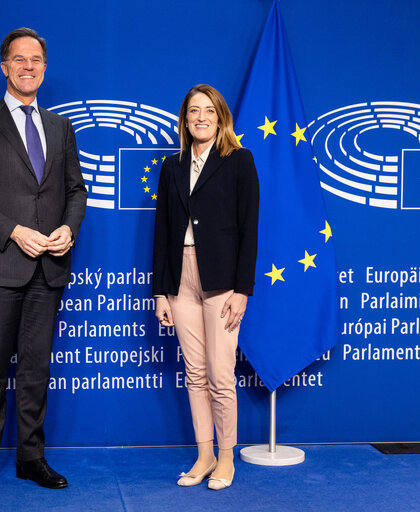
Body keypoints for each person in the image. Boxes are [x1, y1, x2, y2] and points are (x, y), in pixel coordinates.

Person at [0, 27, 87, 498]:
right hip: (0, 265)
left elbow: (76, 190)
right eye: (19, 60)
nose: (28, 67)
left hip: (48, 268)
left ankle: (31, 458)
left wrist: (68, 228)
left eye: (36, 60)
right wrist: (14, 231)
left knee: (35, 369)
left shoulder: (60, 126)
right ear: (5, 67)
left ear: (44, 69)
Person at [152, 84, 259, 490]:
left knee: (220, 373)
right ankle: (204, 454)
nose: (200, 117)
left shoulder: (239, 161)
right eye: (193, 111)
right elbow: (162, 232)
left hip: (222, 282)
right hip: (180, 279)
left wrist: (242, 290)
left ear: (220, 118)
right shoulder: (171, 166)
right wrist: (161, 291)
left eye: (208, 111)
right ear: (185, 119)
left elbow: (250, 230)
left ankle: (227, 459)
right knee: (194, 373)